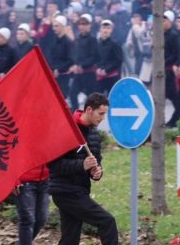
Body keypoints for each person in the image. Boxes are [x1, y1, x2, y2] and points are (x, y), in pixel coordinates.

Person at [49, 93, 118, 245]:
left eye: (104, 114)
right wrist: (82, 165)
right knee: (107, 222)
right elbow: (55, 166)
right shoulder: (68, 130)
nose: (102, 118)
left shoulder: (94, 134)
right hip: (65, 192)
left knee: (70, 239)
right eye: (100, 113)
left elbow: (96, 163)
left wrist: (96, 173)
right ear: (88, 109)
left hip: (79, 190)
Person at [69, 14, 99, 108]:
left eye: (84, 24)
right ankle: (75, 116)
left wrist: (82, 66)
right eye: (80, 24)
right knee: (72, 94)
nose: (81, 27)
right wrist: (75, 65)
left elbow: (94, 57)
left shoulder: (92, 40)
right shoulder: (78, 39)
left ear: (89, 25)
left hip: (89, 73)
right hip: (78, 74)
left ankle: (92, 119)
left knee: (91, 99)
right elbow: (76, 55)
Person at [49, 15, 74, 103]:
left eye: (56, 26)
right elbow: (51, 57)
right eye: (53, 26)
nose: (54, 28)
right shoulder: (53, 41)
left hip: (64, 76)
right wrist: (53, 69)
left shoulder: (68, 42)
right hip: (54, 74)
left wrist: (59, 69)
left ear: (63, 27)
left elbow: (71, 60)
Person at [96, 20, 124, 96]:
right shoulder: (97, 43)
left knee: (112, 99)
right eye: (104, 28)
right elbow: (95, 58)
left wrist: (107, 70)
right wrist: (98, 68)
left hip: (112, 76)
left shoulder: (115, 43)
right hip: (100, 76)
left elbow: (119, 60)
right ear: (100, 29)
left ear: (111, 30)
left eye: (108, 28)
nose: (106, 30)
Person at [162, 11, 178, 108]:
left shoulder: (173, 35)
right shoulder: (160, 34)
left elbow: (175, 53)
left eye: (165, 20)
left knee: (171, 93)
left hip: (169, 68)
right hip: (162, 68)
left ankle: (178, 113)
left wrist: (164, 62)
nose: (163, 22)